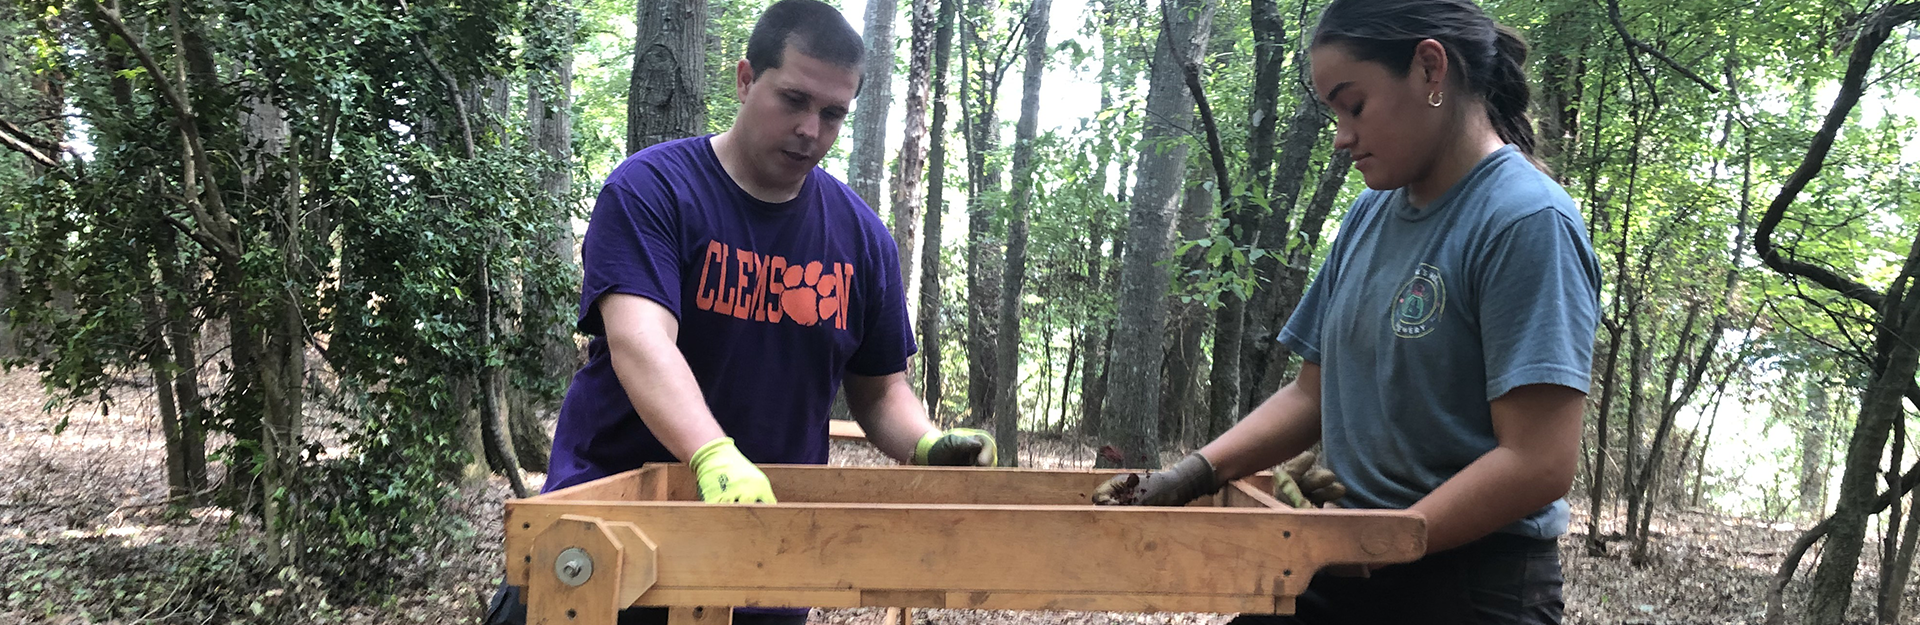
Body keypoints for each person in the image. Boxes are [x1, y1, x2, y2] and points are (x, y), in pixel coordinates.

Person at [486, 1, 994, 623]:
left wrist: (927, 445)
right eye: (794, 100)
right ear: (746, 79)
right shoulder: (654, 189)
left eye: (833, 113)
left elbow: (881, 390)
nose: (812, 128)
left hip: (764, 556)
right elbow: (641, 341)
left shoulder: (861, 238)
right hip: (608, 542)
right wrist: (712, 455)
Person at [1094, 0, 1600, 623]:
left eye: (1354, 105)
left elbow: (1539, 460)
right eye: (1332, 113)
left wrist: (1378, 541)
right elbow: (1313, 394)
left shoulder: (1525, 220)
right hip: (1341, 560)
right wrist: (1195, 472)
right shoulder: (1369, 215)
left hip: (1470, 584)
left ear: (1430, 69)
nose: (1342, 136)